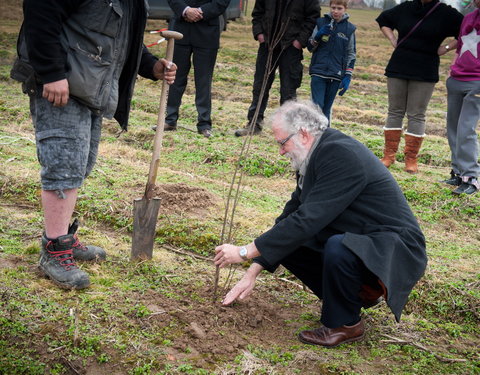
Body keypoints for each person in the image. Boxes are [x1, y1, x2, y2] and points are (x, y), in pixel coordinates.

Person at [215, 100, 427, 347]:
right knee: (290, 241)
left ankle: (346, 324)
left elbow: (309, 219)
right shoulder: (313, 155)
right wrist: (254, 269)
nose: (281, 151)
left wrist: (243, 252)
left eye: (282, 143)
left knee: (338, 246)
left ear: (303, 134)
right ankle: (349, 297)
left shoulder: (340, 154)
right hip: (364, 237)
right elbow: (293, 214)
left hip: (392, 248)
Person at [10, 0, 177, 290]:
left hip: (90, 85)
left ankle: (63, 237)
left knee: (80, 165)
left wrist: (152, 66)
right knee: (63, 167)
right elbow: (41, 13)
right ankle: (54, 250)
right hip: (62, 84)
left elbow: (124, 39)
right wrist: (51, 72)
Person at [376, 0, 463, 174]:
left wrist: (446, 48)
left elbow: (465, 31)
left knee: (416, 114)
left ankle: (411, 159)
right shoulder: (406, 7)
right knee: (395, 111)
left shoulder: (446, 13)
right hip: (399, 65)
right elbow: (383, 20)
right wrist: (393, 39)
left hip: (425, 68)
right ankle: (388, 155)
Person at [233, 0, 320, 137]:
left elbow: (312, 18)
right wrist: (260, 34)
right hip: (267, 44)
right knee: (260, 86)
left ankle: (288, 130)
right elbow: (257, 13)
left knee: (288, 90)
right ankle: (254, 124)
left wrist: (299, 42)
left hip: (291, 47)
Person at [164, 0, 230, 138]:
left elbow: (222, 2)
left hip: (207, 33)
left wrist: (200, 12)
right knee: (174, 77)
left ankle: (204, 124)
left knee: (203, 81)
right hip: (180, 29)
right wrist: (186, 10)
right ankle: (169, 120)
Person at [442, 0, 480, 195]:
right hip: (457, 78)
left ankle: (471, 177)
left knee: (466, 128)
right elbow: (461, 45)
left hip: (477, 81)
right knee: (454, 127)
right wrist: (452, 69)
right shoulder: (468, 18)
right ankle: (458, 172)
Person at [307, 0, 356, 126]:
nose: (335, 11)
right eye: (333, 7)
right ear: (329, 7)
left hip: (336, 74)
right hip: (318, 72)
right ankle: (313, 137)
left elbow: (351, 54)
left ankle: (326, 139)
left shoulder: (349, 29)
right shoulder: (320, 22)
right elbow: (310, 47)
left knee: (326, 109)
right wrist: (318, 37)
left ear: (345, 9)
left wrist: (347, 76)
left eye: (339, 8)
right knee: (317, 107)